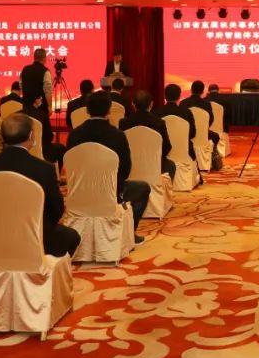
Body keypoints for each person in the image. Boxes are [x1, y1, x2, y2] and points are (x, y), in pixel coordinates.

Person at [0, 114, 80, 258]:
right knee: (72, 237)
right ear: (31, 135)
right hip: (34, 235)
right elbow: (56, 209)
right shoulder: (43, 169)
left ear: (2, 137)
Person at [66, 91, 150, 241]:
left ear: (87, 110)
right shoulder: (117, 135)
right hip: (111, 192)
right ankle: (129, 233)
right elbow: (126, 169)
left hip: (80, 191)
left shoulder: (74, 135)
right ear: (109, 110)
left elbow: (70, 165)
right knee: (143, 188)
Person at [119, 89, 177, 181]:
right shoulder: (159, 123)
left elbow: (121, 147)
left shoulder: (124, 123)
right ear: (151, 104)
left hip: (130, 165)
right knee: (171, 165)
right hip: (154, 165)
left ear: (133, 104)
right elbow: (167, 147)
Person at [153, 84, 198, 161]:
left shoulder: (156, 113)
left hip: (163, 153)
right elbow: (193, 133)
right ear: (179, 96)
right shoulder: (186, 112)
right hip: (184, 151)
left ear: (165, 96)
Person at [181, 80, 222, 151]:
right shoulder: (206, 104)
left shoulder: (183, 103)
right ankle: (213, 154)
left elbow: (180, 119)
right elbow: (211, 119)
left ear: (191, 90)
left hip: (187, 134)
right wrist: (203, 128)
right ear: (203, 91)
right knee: (216, 136)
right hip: (203, 133)